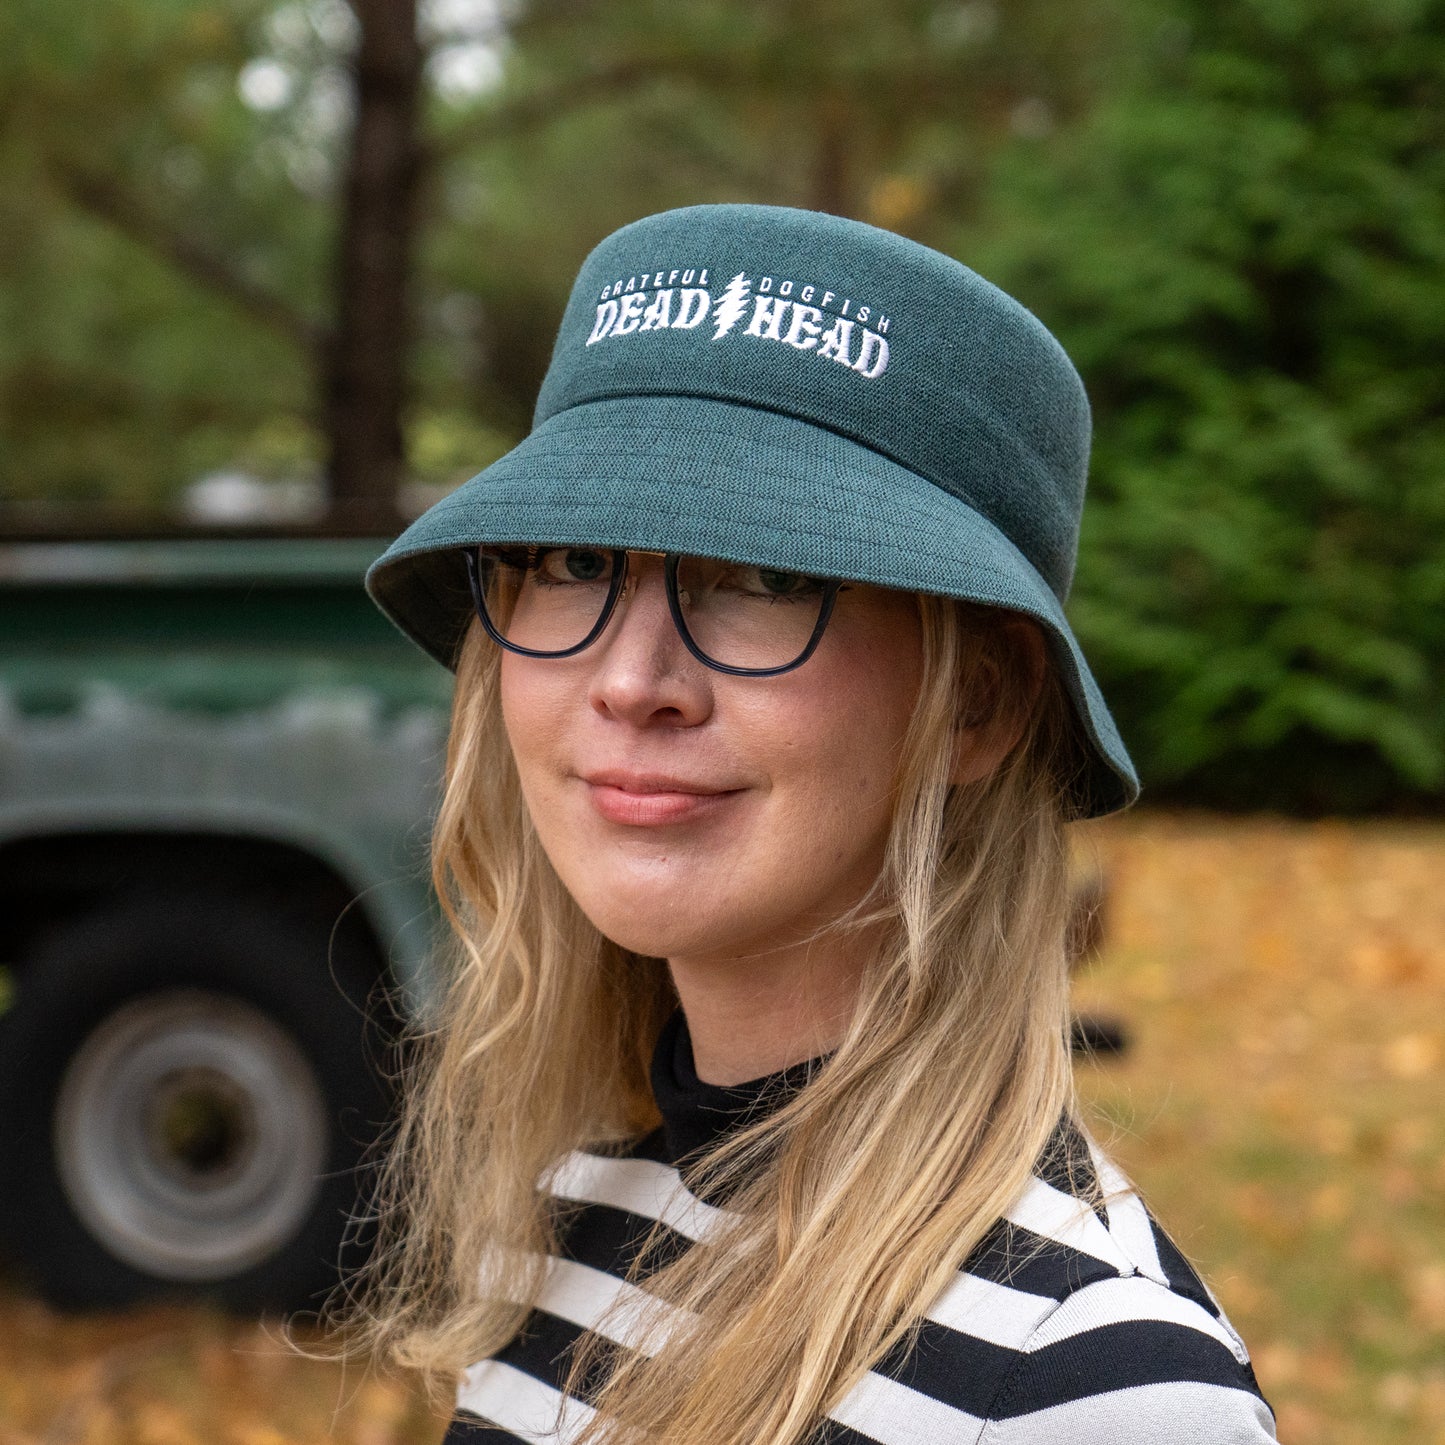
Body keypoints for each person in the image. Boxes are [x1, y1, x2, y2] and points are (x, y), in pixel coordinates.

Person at [356, 204, 1277, 1444]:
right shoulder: (561, 1220)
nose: (630, 680)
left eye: (766, 576)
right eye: (574, 560)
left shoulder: (1092, 1383)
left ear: (978, 703)